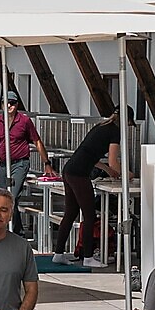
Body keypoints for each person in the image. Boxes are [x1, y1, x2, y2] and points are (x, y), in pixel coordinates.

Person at [55, 111, 118, 266]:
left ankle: (58, 253)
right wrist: (128, 174)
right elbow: (113, 162)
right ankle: (88, 257)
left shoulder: (101, 127)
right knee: (89, 216)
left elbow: (91, 156)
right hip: (79, 174)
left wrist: (109, 171)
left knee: (70, 214)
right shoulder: (115, 131)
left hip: (70, 169)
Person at [0, 90, 50, 237]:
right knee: (3, 198)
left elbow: (37, 141)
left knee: (11, 197)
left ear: (17, 105)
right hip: (3, 164)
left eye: (12, 103)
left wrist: (46, 163)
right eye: (6, 102)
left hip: (20, 163)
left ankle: (14, 232)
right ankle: (17, 230)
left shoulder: (24, 121)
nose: (9, 105)